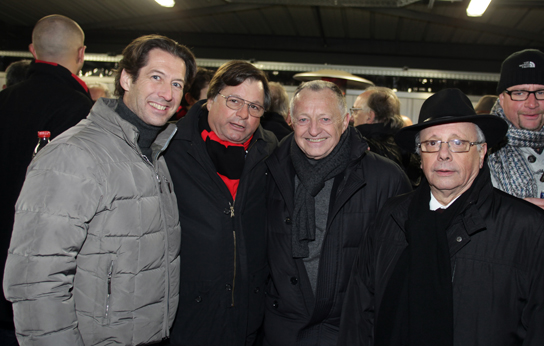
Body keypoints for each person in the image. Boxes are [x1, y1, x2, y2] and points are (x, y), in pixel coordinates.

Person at [339, 88, 544, 346]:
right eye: (432, 143)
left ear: (482, 153)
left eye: (458, 143)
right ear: (420, 157)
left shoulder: (532, 230)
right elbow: (359, 316)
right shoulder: (389, 219)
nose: (444, 154)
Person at [3, 34, 196, 345]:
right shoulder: (75, 154)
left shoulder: (153, 155)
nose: (167, 93)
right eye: (156, 77)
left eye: (177, 84)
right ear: (126, 78)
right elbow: (36, 279)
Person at [263, 80, 411, 346]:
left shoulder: (385, 178)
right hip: (283, 332)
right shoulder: (269, 172)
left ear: (345, 122)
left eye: (325, 119)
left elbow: (401, 272)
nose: (314, 130)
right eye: (304, 119)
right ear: (290, 121)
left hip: (350, 331)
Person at [164, 60, 277, 346]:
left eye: (254, 107)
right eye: (234, 101)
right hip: (185, 318)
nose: (243, 114)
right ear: (211, 99)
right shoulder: (169, 148)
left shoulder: (272, 152)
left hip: (248, 318)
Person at [0, 14, 93, 343]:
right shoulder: (84, 113)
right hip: (49, 272)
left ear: (32, 50)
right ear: (81, 54)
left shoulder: (4, 101)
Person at [487, 49, 544, 266]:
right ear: (501, 98)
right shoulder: (482, 147)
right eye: (519, 93)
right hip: (511, 290)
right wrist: (513, 214)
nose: (532, 103)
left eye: (542, 92)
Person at [351, 86, 422, 187]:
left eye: (355, 111)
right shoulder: (412, 147)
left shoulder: (359, 146)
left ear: (370, 116)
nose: (352, 118)